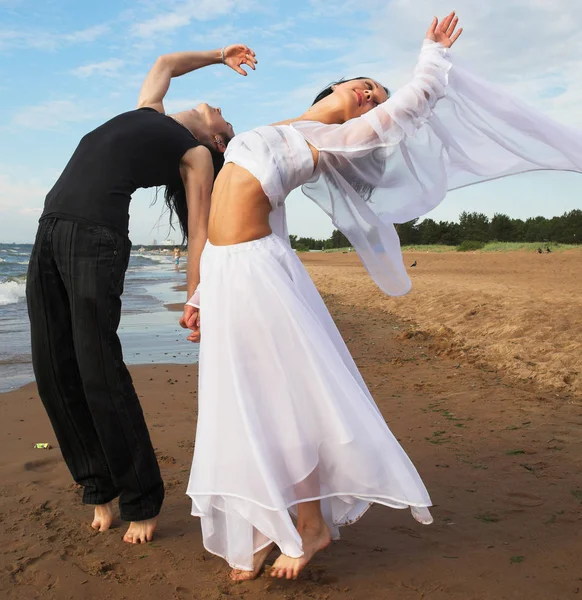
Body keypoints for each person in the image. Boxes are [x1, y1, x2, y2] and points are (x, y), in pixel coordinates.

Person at [183, 10, 582, 582]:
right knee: (241, 405)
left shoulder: (331, 142)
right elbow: (256, 216)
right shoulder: (290, 127)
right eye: (365, 84)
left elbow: (406, 109)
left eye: (374, 98)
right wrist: (201, 291)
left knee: (280, 404)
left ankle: (311, 524)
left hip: (256, 277)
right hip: (233, 271)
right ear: (335, 85)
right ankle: (275, 525)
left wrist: (431, 60)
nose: (370, 96)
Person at [26, 43, 257, 545]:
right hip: (50, 230)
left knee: (98, 369)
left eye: (228, 125)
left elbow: (199, 233)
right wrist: (221, 55)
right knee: (51, 370)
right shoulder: (147, 112)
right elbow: (165, 65)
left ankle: (142, 499)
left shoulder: (195, 154)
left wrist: (196, 296)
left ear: (219, 143)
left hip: (96, 240)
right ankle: (98, 487)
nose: (221, 111)